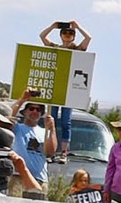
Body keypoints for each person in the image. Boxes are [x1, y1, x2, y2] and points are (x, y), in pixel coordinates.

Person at [38, 19, 90, 160]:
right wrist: (53, 26)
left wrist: (78, 27)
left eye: (70, 33)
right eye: (65, 33)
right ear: (61, 35)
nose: (67, 35)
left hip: (70, 90)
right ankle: (51, 150)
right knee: (51, 119)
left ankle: (64, 152)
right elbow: (42, 36)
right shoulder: (55, 47)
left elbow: (88, 38)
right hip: (56, 88)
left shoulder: (76, 49)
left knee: (66, 121)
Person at [10, 93, 56, 191]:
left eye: (38, 109)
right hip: (18, 177)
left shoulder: (45, 132)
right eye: (31, 108)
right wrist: (22, 99)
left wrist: (52, 129)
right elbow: (8, 116)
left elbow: (51, 152)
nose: (35, 111)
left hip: (39, 179)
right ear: (25, 112)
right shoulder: (17, 128)